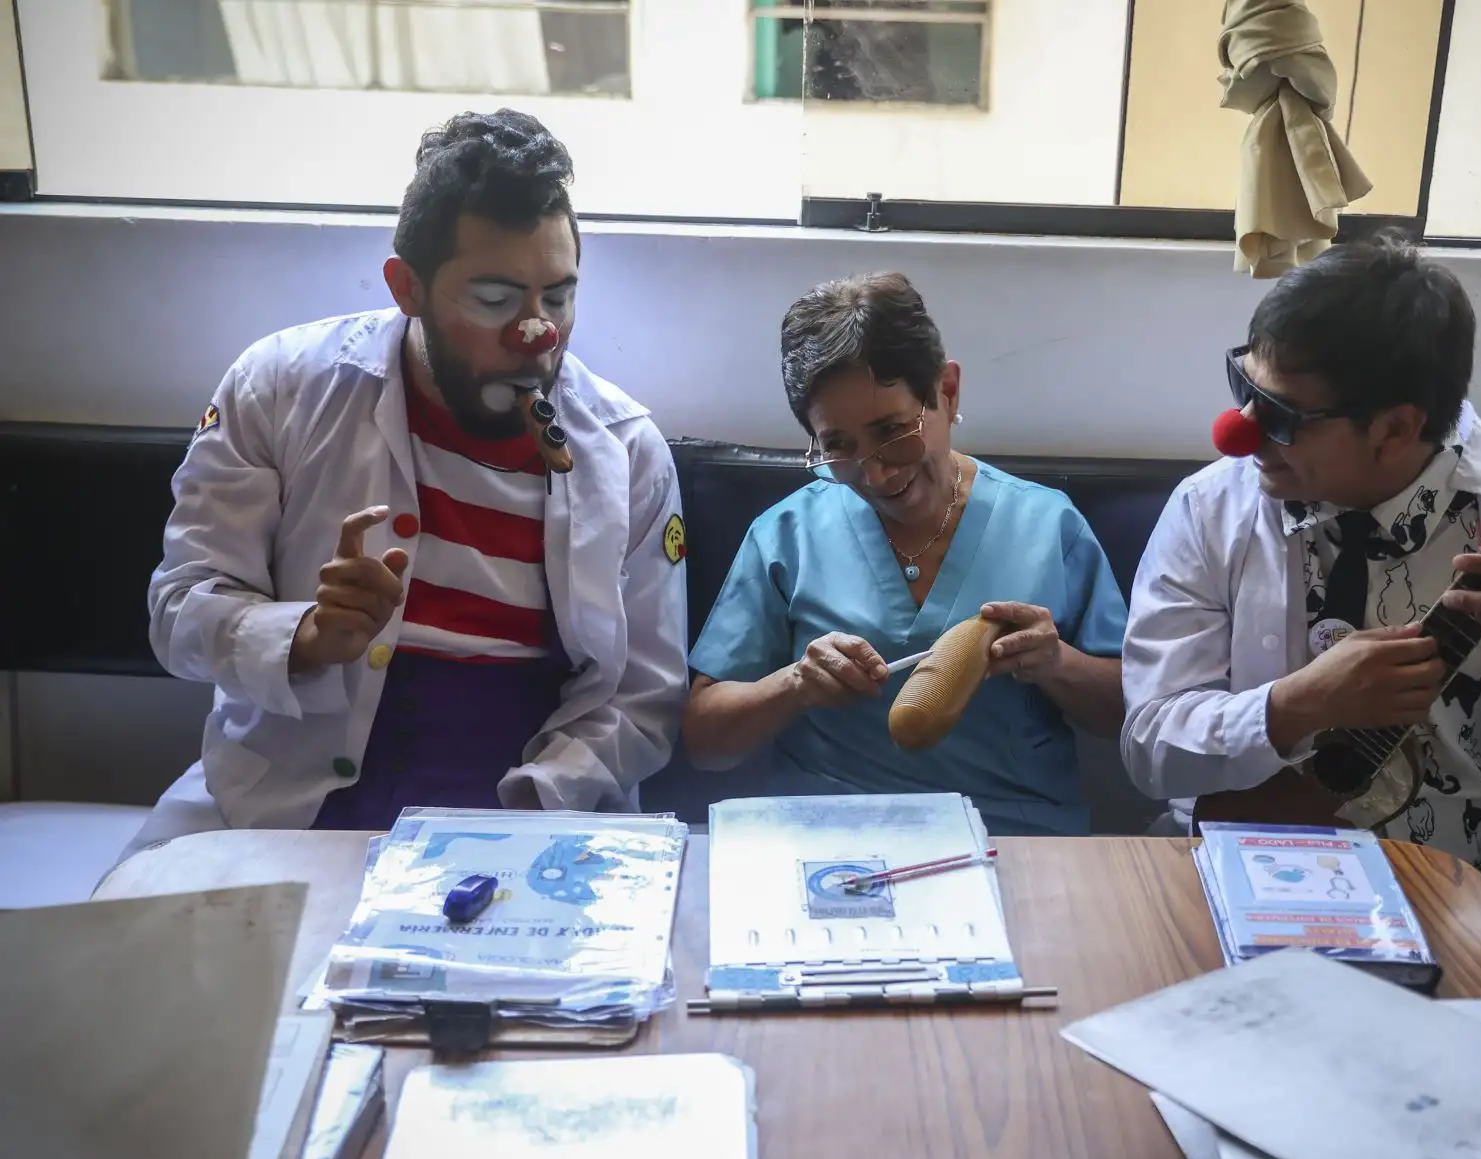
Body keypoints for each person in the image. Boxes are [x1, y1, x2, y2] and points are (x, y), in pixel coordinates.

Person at [1120, 232, 1481, 1097]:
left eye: (1280, 415)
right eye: (1244, 385)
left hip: (1473, 896)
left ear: (1395, 427)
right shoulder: (1209, 512)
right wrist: (1292, 705)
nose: (1241, 433)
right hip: (1257, 880)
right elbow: (1151, 748)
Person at [126, 110, 687, 855]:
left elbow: (642, 698)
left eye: (557, 297)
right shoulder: (280, 389)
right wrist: (305, 637)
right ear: (407, 288)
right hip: (293, 798)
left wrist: (527, 811)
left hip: (525, 803)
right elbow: (179, 609)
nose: (536, 333)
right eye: (494, 301)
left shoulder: (627, 453)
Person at [682, 272, 1127, 835]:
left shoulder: (1046, 526)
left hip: (1013, 836)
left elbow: (1129, 716)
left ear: (947, 392)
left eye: (893, 430)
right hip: (830, 840)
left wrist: (1057, 664)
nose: (876, 472)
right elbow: (704, 742)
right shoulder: (787, 535)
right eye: (839, 447)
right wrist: (794, 685)